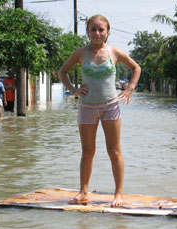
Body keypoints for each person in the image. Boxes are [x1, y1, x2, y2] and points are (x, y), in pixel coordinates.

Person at [58, 14, 141, 207]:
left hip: (110, 106)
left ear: (107, 32)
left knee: (114, 151)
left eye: (101, 29)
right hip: (87, 106)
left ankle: (118, 194)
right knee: (87, 152)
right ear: (87, 32)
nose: (97, 33)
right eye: (93, 29)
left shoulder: (115, 52)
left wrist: (130, 89)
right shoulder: (80, 53)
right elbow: (63, 71)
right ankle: (83, 191)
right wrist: (72, 90)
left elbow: (136, 68)